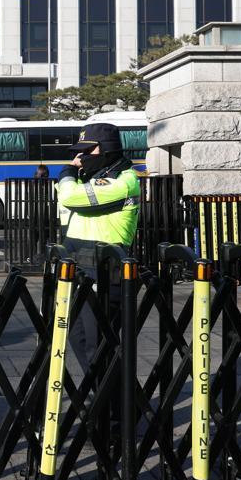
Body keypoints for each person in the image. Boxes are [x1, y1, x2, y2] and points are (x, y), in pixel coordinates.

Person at [54, 123, 140, 367]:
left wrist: (67, 173)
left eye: (86, 151)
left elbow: (69, 196)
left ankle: (115, 402)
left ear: (106, 150)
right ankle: (100, 397)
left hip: (103, 271)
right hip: (79, 268)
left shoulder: (123, 180)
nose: (79, 157)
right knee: (77, 337)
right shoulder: (94, 177)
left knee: (99, 346)